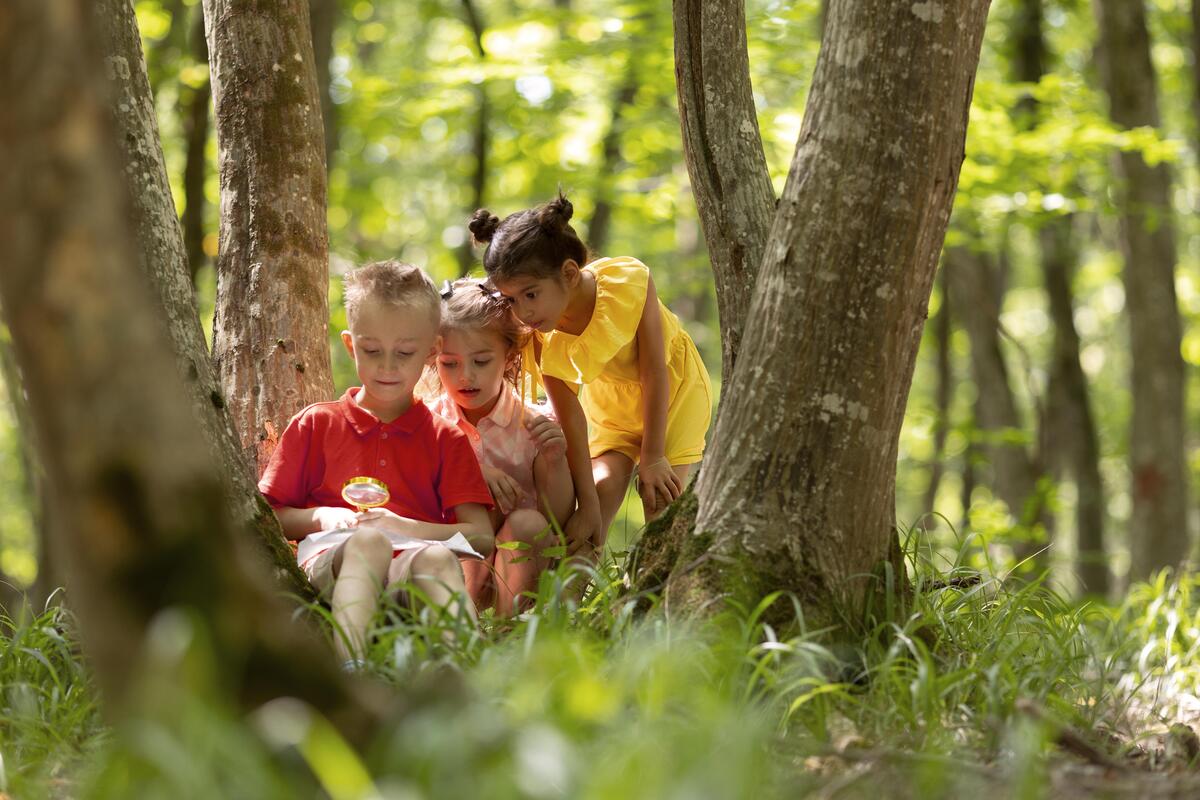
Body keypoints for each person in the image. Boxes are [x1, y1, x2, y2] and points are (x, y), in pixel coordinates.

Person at [258, 260, 494, 667]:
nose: (387, 366)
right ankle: (352, 673)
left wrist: (402, 527)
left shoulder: (445, 438)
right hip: (338, 557)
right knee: (368, 543)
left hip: (411, 564)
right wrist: (323, 518)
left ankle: (476, 679)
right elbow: (269, 516)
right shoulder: (317, 422)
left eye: (404, 353)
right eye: (372, 351)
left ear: (432, 352)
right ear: (351, 345)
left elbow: (481, 536)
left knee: (438, 559)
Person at [467, 193, 713, 553]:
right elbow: (571, 420)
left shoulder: (628, 283)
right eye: (512, 300)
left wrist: (654, 455)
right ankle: (567, 603)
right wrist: (590, 507)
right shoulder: (540, 337)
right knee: (596, 501)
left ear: (568, 273)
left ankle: (657, 600)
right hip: (611, 408)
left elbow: (655, 371)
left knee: (659, 500)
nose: (522, 312)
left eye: (530, 295)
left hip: (673, 395)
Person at [427, 278, 575, 615]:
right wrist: (473, 474)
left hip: (522, 564)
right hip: (456, 568)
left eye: (481, 361)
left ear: (509, 358)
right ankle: (461, 630)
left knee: (528, 523)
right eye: (450, 363)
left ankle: (509, 635)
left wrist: (555, 460)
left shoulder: (532, 422)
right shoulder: (429, 423)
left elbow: (559, 516)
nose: (466, 376)